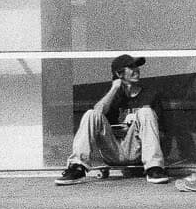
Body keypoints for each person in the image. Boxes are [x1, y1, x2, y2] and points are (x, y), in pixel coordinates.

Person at [55, 54, 170, 185]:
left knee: (146, 111)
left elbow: (160, 132)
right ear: (119, 73)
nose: (136, 70)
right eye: (131, 67)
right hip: (112, 149)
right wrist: (115, 88)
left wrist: (135, 129)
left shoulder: (150, 95)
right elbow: (97, 113)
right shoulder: (111, 95)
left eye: (137, 67)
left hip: (137, 149)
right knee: (91, 114)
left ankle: (154, 167)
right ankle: (77, 167)